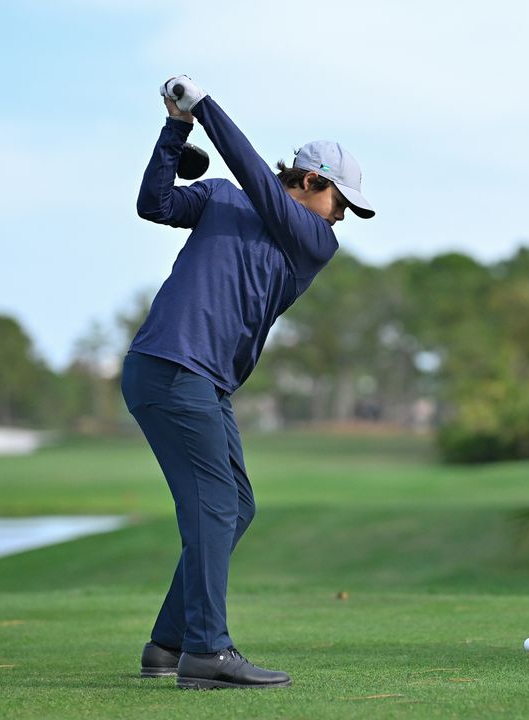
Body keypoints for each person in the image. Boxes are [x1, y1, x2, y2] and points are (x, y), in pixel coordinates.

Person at [124, 75, 375, 689]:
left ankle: (170, 641)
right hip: (173, 366)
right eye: (340, 202)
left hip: (203, 381)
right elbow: (154, 204)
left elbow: (260, 182)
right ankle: (208, 651)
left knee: (236, 506)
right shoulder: (221, 198)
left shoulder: (312, 241)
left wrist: (202, 108)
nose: (341, 219)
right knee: (213, 506)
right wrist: (176, 127)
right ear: (313, 181)